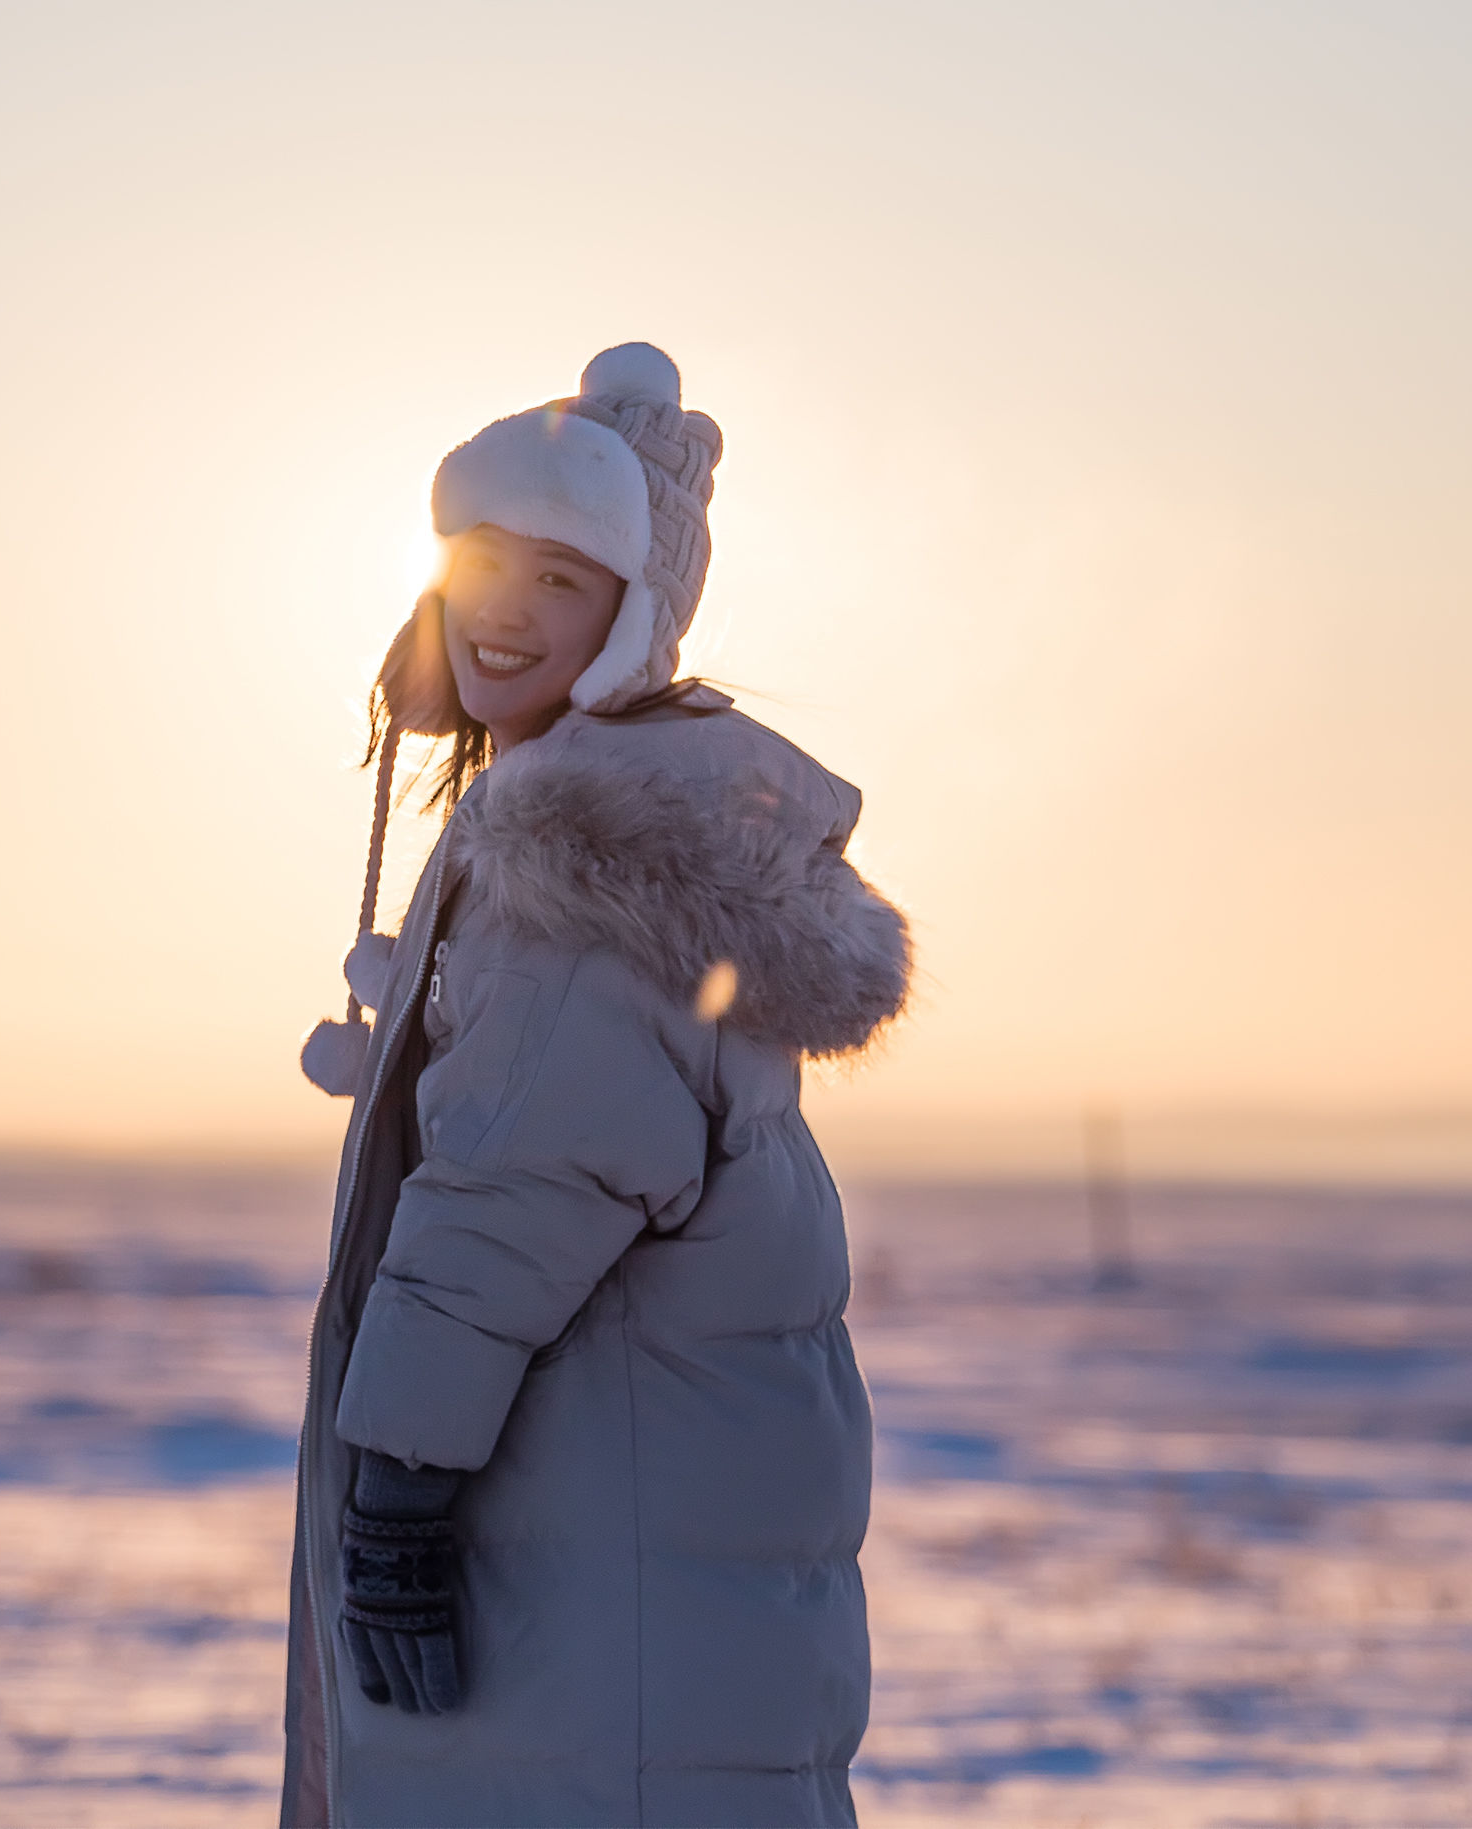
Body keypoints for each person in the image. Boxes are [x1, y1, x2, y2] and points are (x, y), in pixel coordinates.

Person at [285, 344, 912, 1828]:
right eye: (485, 556)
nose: (506, 606)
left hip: (584, 1575)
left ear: (631, 619)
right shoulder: (625, 826)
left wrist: (397, 1495)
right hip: (634, 1546)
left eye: (562, 580)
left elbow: (509, 1198)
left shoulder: (591, 865)